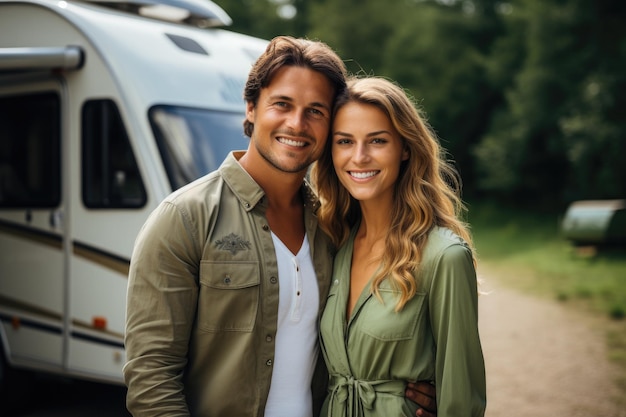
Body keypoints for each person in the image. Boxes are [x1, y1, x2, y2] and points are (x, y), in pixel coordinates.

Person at [124, 36, 437, 417]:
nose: (297, 124)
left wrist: (410, 390)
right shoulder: (184, 218)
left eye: (316, 111)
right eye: (282, 105)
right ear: (252, 107)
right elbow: (151, 377)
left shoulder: (333, 225)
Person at [312, 76, 486, 417]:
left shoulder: (443, 257)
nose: (359, 157)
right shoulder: (333, 243)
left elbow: (462, 401)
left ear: (404, 148)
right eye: (344, 141)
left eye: (377, 141)